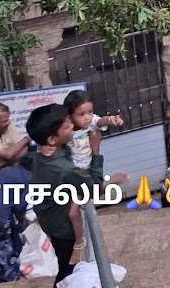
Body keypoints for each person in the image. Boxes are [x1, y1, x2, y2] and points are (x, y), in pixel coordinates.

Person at [27, 103, 100, 285]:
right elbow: (93, 186)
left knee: (65, 262)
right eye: (67, 126)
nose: (72, 128)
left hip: (48, 219)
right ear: (52, 139)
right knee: (68, 269)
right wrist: (95, 150)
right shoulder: (63, 169)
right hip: (62, 227)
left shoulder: (41, 153)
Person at [63, 91, 124, 175]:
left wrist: (111, 119)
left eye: (90, 112)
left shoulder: (90, 123)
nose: (87, 118)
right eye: (81, 114)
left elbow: (100, 121)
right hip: (73, 170)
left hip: (91, 167)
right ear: (69, 116)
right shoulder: (66, 131)